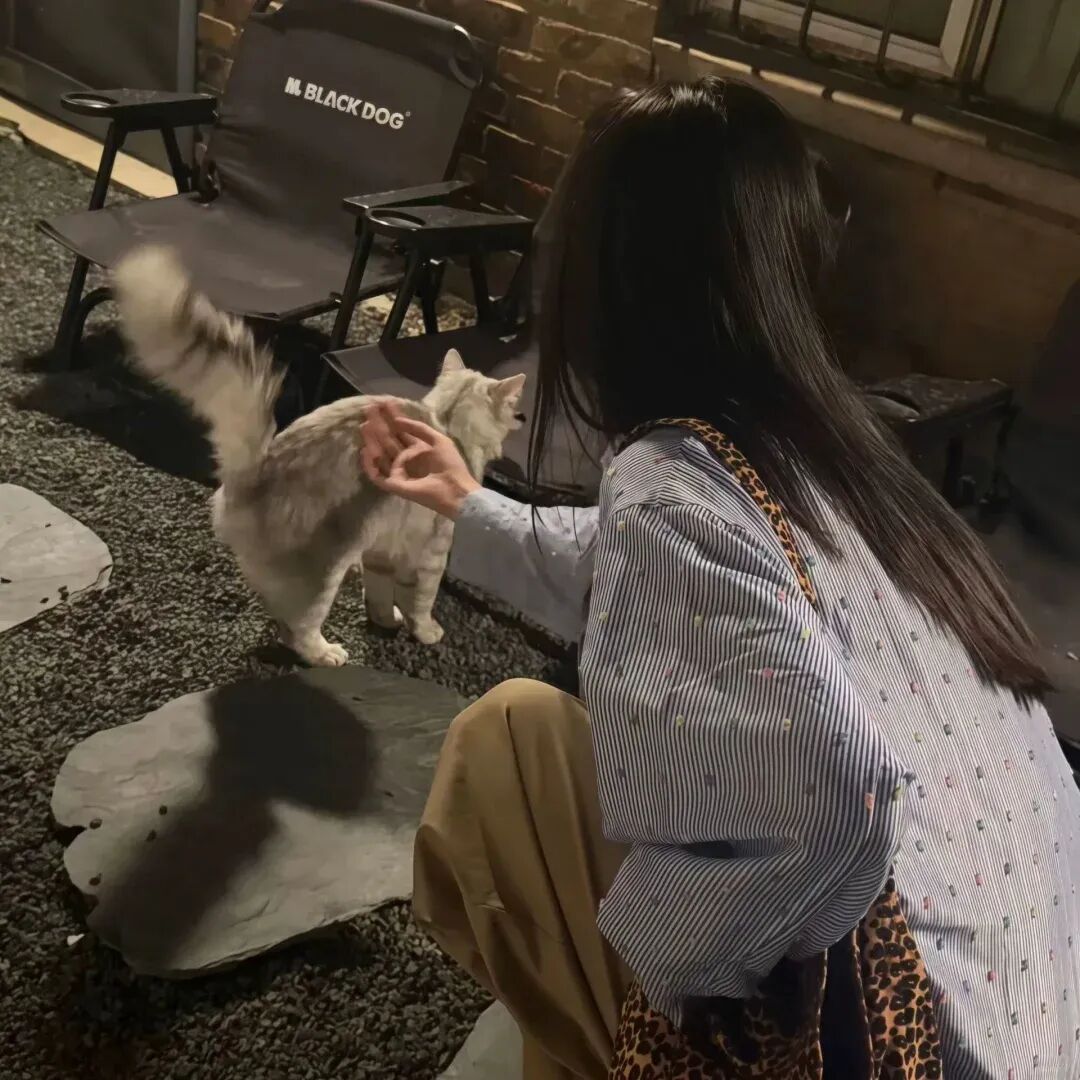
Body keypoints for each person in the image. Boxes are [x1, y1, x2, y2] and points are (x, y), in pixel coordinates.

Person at [360, 78, 1080, 1080]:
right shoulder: (838, 453)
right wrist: (461, 502)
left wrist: (675, 978)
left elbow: (836, 790)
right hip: (1036, 1015)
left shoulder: (670, 490)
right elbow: (634, 566)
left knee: (509, 740)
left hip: (893, 1044)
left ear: (603, 278)